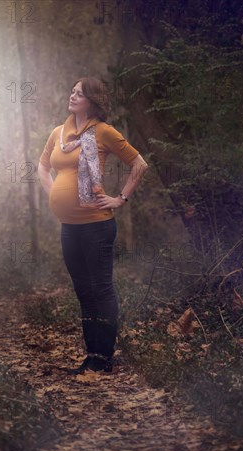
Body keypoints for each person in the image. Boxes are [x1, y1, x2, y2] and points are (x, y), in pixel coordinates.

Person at [37, 77, 148, 374]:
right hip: (69, 226)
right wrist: (55, 196)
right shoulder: (59, 134)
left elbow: (139, 164)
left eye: (80, 94)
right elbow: (42, 166)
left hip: (97, 225)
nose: (72, 96)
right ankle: (91, 357)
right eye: (72, 91)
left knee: (101, 288)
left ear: (93, 101)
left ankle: (104, 357)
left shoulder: (103, 132)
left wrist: (120, 198)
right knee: (83, 291)